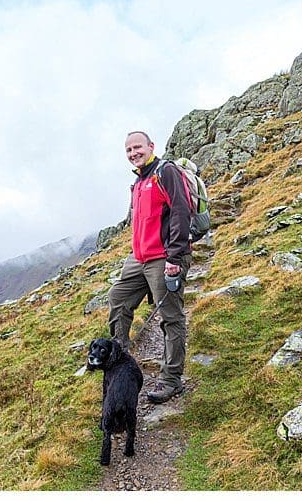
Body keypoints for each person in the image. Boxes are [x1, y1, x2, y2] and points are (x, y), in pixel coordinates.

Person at [107, 130, 192, 404]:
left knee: (171, 317)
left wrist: (174, 259)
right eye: (129, 150)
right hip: (139, 258)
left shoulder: (165, 172)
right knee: (118, 299)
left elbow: (181, 211)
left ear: (151, 146)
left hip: (163, 257)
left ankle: (171, 379)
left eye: (138, 147)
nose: (134, 153)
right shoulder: (139, 180)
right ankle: (119, 361)